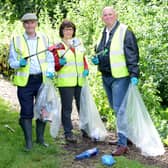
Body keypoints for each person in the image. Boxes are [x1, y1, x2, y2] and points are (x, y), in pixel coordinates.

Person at [91, 7, 139, 156]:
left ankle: (122, 145)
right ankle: (126, 136)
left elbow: (132, 53)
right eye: (105, 15)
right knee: (116, 108)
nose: (108, 17)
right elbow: (100, 51)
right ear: (102, 18)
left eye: (110, 14)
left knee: (120, 109)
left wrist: (134, 73)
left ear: (116, 15)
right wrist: (97, 58)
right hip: (106, 76)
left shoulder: (125, 31)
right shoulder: (102, 33)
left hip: (120, 77)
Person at [8, 13, 55, 151]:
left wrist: (51, 70)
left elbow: (50, 57)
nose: (30, 25)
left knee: (43, 110)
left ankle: (40, 139)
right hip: (25, 82)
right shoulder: (16, 40)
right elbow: (11, 62)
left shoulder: (44, 38)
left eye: (32, 22)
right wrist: (18, 63)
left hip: (42, 80)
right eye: (27, 23)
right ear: (23, 25)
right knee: (27, 111)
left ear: (36, 23)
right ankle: (29, 142)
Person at [49, 20, 89, 143]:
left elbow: (83, 59)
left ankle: (85, 129)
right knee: (67, 109)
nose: (68, 31)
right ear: (61, 31)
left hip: (79, 80)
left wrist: (86, 68)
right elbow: (54, 65)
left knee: (82, 106)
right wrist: (58, 64)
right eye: (66, 29)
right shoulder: (58, 46)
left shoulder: (78, 43)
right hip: (66, 82)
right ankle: (68, 133)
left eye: (70, 29)